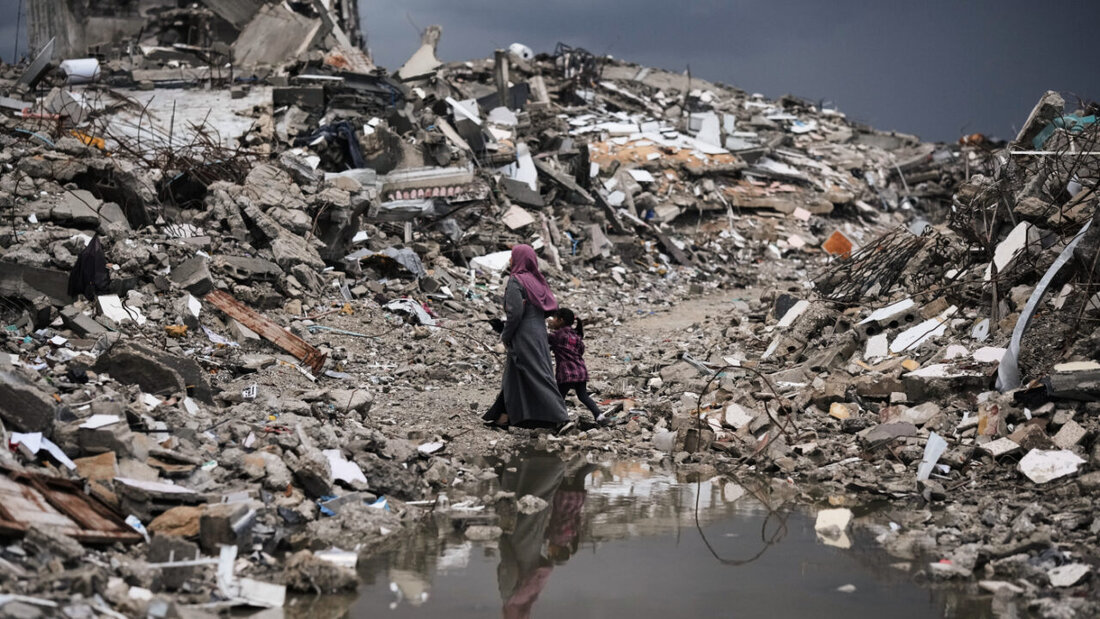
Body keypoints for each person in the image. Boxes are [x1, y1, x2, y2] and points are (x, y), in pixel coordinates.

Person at [482, 245, 570, 430]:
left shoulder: (516, 280)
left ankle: (560, 417)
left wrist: (505, 335)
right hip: (538, 333)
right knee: (514, 376)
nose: (510, 260)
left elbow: (514, 314)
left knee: (538, 375)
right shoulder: (538, 280)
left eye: (513, 257)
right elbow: (549, 307)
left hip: (524, 335)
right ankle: (503, 417)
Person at [547, 308, 607, 425]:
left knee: (559, 397)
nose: (552, 321)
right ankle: (599, 416)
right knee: (583, 396)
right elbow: (581, 350)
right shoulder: (576, 335)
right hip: (580, 370)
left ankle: (560, 420)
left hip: (566, 373)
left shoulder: (558, 335)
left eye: (554, 318)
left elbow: (543, 339)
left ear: (561, 320)